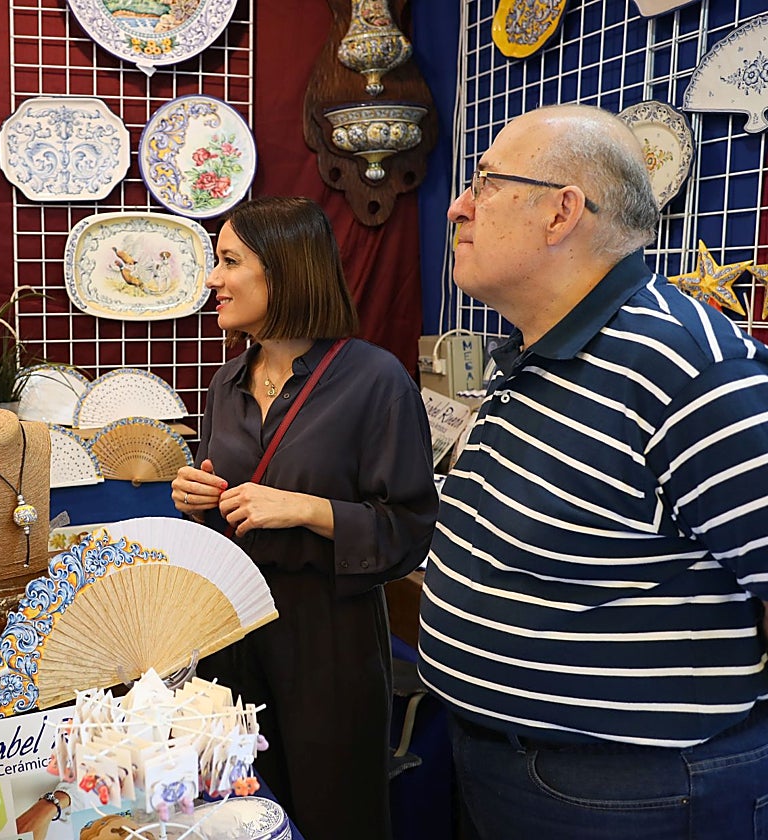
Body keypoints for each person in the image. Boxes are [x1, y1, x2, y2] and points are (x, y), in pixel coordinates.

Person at [418, 103, 768, 839]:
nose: (457, 206)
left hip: (626, 794)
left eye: (483, 183)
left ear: (560, 213)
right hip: (515, 771)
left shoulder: (683, 367)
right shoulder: (544, 350)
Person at [172, 196, 438, 839]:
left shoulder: (376, 380)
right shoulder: (226, 382)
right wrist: (197, 496)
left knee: (333, 811)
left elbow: (409, 530)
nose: (212, 278)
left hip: (330, 642)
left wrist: (306, 509)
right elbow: (227, 509)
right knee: (240, 811)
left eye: (229, 260)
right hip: (231, 639)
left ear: (285, 271)